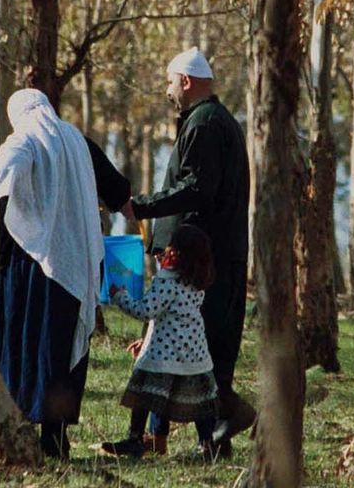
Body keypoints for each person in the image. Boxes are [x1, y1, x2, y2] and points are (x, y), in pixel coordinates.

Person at [0, 88, 129, 459]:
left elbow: (6, 172)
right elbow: (118, 188)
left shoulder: (24, 138)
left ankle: (20, 423)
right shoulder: (77, 141)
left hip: (29, 266)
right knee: (60, 351)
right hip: (72, 263)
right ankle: (55, 435)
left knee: (25, 344)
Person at [121, 46, 253, 458]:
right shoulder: (212, 120)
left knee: (204, 353)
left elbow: (197, 190)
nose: (167, 90)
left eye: (169, 81)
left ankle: (232, 415)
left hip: (204, 262)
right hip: (216, 258)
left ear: (186, 81)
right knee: (209, 349)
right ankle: (216, 442)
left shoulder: (205, 125)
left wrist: (141, 206)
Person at [100, 225, 219, 459]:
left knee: (145, 395)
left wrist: (119, 295)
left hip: (164, 355)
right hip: (195, 355)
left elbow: (146, 310)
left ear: (178, 253)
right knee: (201, 403)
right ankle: (207, 444)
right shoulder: (197, 282)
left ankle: (135, 439)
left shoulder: (167, 282)